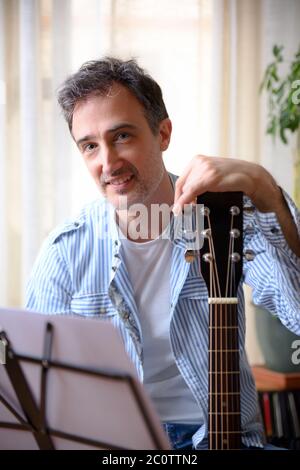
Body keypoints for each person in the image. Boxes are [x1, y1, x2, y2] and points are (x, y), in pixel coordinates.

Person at [26, 57, 300, 450]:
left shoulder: (226, 218)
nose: (108, 162)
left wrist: (264, 188)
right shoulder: (65, 251)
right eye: (90, 146)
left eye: (122, 136)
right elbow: (37, 388)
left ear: (163, 133)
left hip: (224, 439)